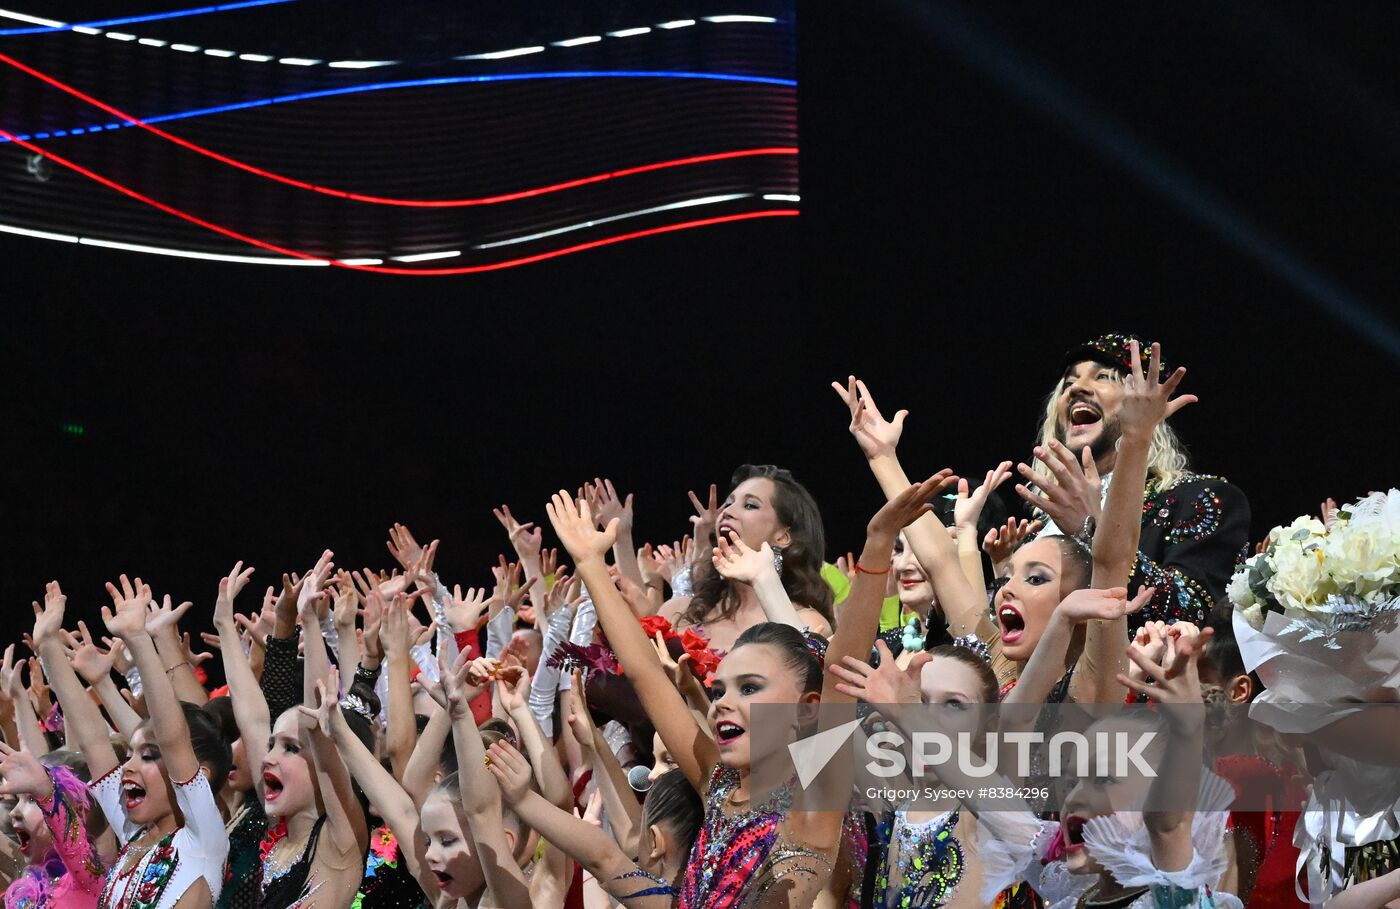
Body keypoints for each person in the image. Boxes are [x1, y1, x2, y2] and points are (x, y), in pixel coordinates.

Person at [550, 476, 949, 908]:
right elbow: (646, 673)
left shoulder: (814, 800)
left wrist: (878, 542)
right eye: (720, 688)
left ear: (807, 709)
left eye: (750, 687)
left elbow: (837, 674)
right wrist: (590, 563)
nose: (723, 701)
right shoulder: (717, 783)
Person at [1018, 332, 1250, 627]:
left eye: (1102, 377)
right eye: (1068, 382)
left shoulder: (1200, 499)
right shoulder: (1036, 531)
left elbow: (1197, 620)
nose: (1077, 388)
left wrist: (1091, 531)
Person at [33, 577, 231, 909]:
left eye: (150, 755)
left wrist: (139, 639)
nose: (129, 765)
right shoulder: (133, 836)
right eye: (131, 753)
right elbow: (94, 741)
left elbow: (173, 737)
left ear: (199, 775)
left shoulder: (201, 840)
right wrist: (48, 647)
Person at [660, 464, 836, 653]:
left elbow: (804, 673)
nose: (727, 512)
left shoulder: (808, 624)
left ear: (783, 537)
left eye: (750, 505)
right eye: (728, 503)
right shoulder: (678, 612)